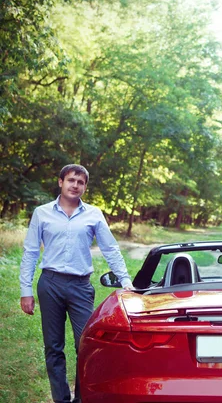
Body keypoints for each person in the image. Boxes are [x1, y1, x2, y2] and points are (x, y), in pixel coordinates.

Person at [19, 164, 133, 403]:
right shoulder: (42, 213)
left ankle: (81, 398)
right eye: (71, 180)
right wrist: (26, 291)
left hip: (81, 287)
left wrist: (125, 281)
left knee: (87, 346)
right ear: (61, 182)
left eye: (81, 182)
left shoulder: (93, 214)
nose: (75, 185)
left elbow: (110, 248)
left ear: (85, 187)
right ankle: (61, 399)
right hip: (50, 284)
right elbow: (30, 252)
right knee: (53, 347)